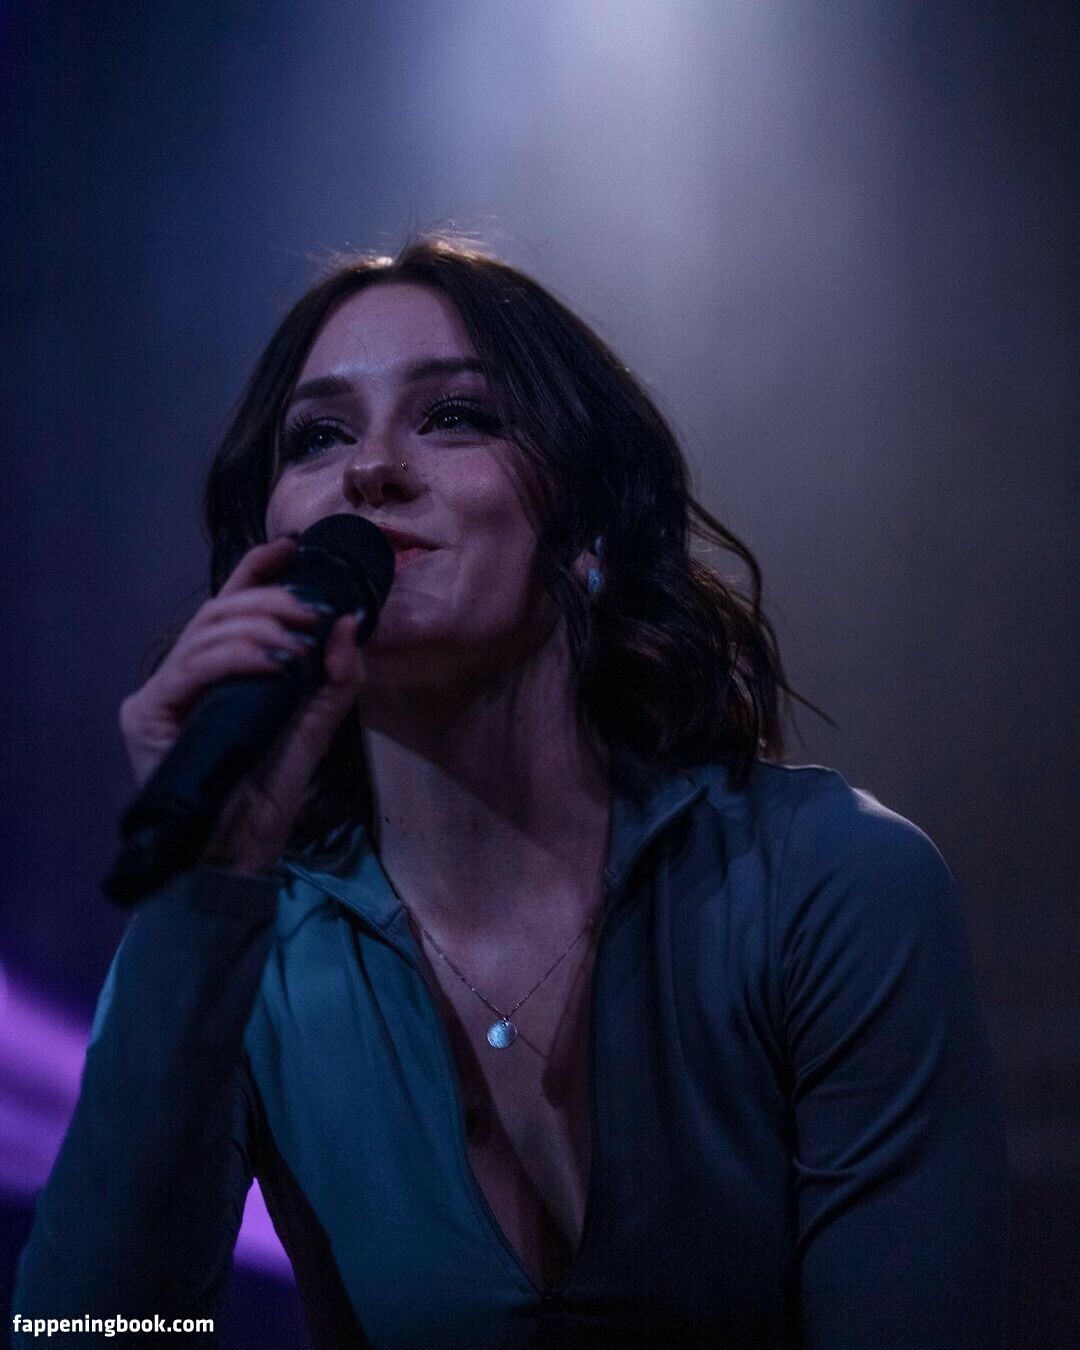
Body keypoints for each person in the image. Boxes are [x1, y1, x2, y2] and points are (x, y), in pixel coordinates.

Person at [13, 235, 1008, 1348]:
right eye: (319, 436)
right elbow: (95, 1334)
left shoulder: (829, 883)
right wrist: (205, 890)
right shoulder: (243, 954)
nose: (370, 470)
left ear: (588, 527)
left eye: (453, 417)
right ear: (270, 549)